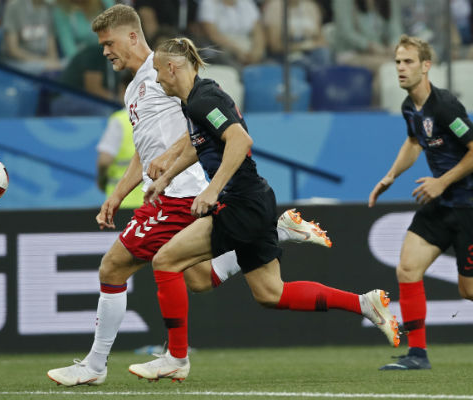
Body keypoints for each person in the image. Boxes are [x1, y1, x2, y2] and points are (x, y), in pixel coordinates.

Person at [46, 4, 332, 387]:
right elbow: (143, 150)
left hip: (184, 192)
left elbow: (209, 121)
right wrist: (117, 195)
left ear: (133, 36)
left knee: (113, 267)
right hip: (172, 192)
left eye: (108, 42)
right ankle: (277, 230)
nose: (105, 51)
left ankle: (97, 366)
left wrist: (169, 160)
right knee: (197, 278)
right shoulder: (135, 87)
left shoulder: (164, 70)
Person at [127, 36, 400, 382]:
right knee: (271, 293)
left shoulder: (203, 99)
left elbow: (240, 140)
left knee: (165, 261)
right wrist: (166, 177)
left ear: (172, 67)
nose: (156, 80)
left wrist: (211, 190)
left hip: (239, 203)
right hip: (253, 200)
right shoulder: (195, 100)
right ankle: (364, 303)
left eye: (157, 72)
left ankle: (176, 358)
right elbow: (202, 146)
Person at [369, 34, 473, 370]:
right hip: (441, 206)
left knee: (469, 291)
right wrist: (390, 176)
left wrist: (442, 182)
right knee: (408, 269)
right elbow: (415, 142)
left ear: (426, 66)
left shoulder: (445, 106)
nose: (400, 68)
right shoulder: (409, 107)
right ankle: (417, 354)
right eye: (398, 61)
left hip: (467, 206)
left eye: (408, 61)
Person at [96, 71, 144, 208]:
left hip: (122, 201)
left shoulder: (120, 120)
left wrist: (101, 180)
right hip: (153, 201)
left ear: (124, 90)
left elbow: (104, 160)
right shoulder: (157, 117)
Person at [1, 0, 61, 74]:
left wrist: (52, 60)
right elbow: (13, 50)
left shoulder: (50, 8)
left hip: (43, 60)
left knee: (66, 65)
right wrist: (42, 62)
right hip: (17, 62)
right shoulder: (14, 6)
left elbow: (52, 48)